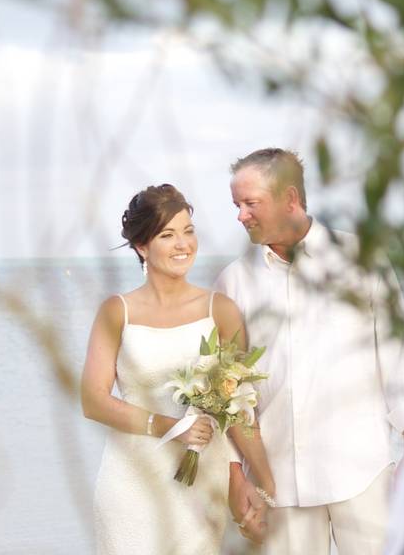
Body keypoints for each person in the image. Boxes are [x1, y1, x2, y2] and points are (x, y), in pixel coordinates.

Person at [215, 149, 404, 554]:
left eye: (251, 203)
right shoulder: (233, 281)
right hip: (277, 485)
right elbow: (226, 391)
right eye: (236, 205)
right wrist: (235, 477)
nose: (241, 216)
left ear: (290, 199)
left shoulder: (362, 263)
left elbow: (400, 363)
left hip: (361, 473)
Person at [82, 183, 275, 554]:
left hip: (202, 484)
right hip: (130, 480)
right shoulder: (116, 311)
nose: (183, 244)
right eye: (167, 235)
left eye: (188, 231)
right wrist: (173, 427)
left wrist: (261, 487)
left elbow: (239, 410)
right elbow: (93, 400)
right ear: (142, 246)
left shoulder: (221, 310)